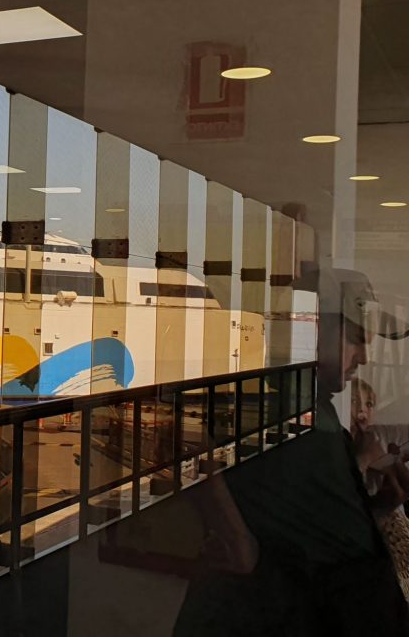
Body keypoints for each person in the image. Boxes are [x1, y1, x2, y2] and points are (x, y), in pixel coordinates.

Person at [173, 268, 409, 636]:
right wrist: (236, 538)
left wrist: (374, 509)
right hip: (271, 612)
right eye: (355, 339)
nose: (364, 357)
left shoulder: (314, 403)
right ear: (312, 326)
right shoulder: (272, 389)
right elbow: (181, 431)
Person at [352, 378, 409, 600]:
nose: (362, 411)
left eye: (369, 404)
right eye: (354, 401)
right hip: (367, 550)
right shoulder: (337, 447)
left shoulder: (379, 435)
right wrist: (366, 457)